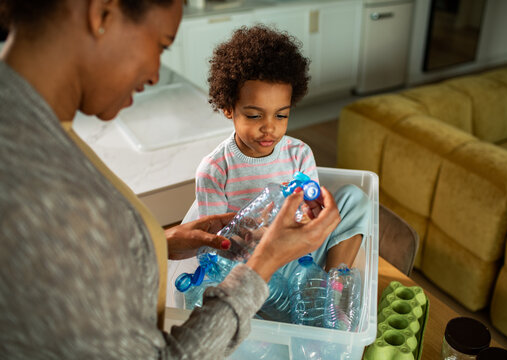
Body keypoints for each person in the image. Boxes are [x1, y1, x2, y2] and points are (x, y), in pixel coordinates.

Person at [0, 1, 340, 358]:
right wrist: (263, 265)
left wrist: (159, 242)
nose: (154, 74)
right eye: (161, 44)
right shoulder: (37, 182)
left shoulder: (31, 125)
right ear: (101, 13)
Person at [195, 25, 371, 276]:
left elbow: (312, 217)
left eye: (281, 115)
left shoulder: (299, 154)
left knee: (355, 199)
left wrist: (308, 220)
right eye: (255, 115)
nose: (269, 128)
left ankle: (333, 284)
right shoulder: (215, 170)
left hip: (300, 255)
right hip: (253, 267)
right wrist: (252, 238)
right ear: (228, 108)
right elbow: (212, 245)